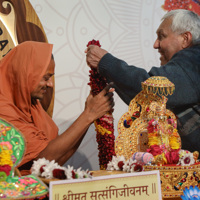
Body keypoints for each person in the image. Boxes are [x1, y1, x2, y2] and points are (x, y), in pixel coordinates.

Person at [85, 9, 200, 154]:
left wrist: (106, 63)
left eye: (161, 36)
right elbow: (143, 101)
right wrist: (108, 73)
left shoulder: (194, 60)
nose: (156, 44)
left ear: (185, 39)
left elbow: (151, 88)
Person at [0, 41, 114, 174]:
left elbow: (56, 159)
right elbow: (44, 159)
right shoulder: (3, 110)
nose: (50, 85)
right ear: (25, 74)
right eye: (45, 78)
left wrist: (89, 114)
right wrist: (89, 114)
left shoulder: (31, 105)